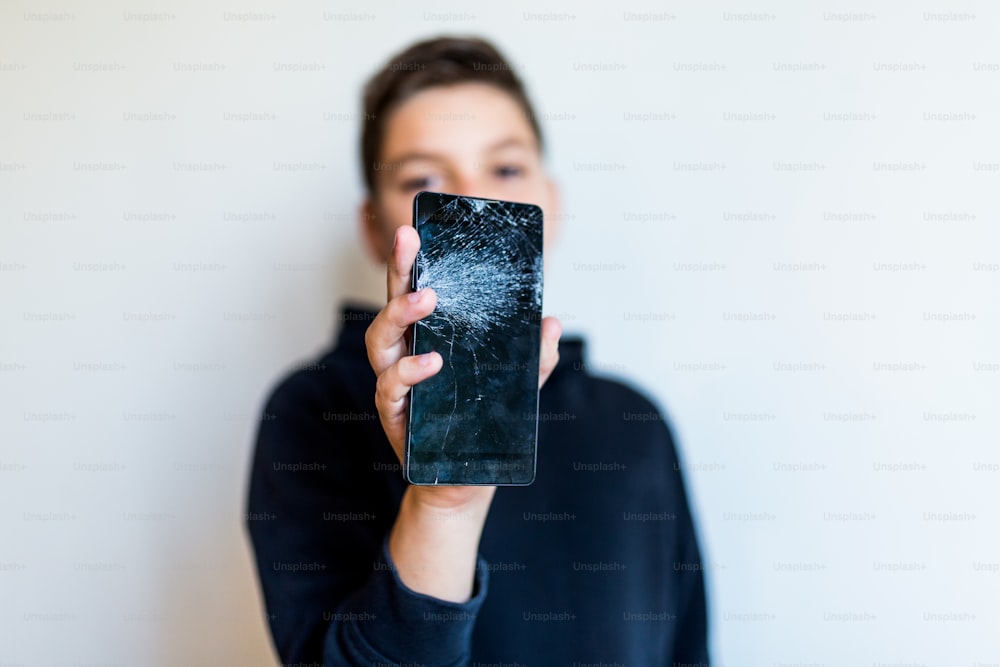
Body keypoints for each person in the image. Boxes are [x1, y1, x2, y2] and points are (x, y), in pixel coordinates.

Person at [245, 35, 710, 666]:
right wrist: (444, 502)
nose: (473, 199)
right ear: (376, 226)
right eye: (425, 179)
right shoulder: (312, 412)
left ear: (555, 203)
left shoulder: (632, 423)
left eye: (507, 168)